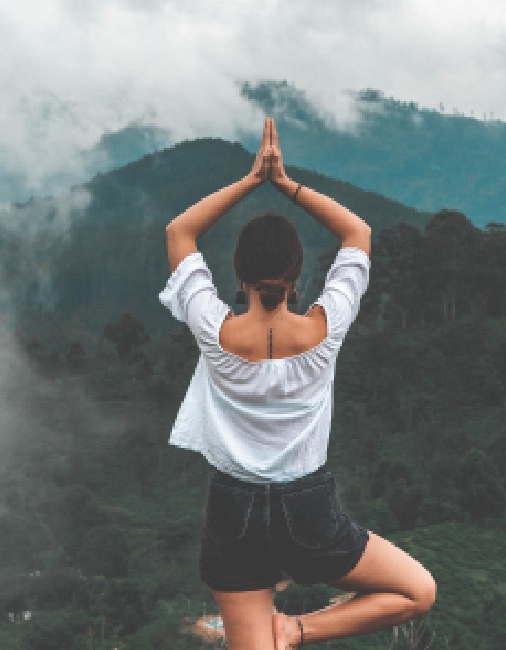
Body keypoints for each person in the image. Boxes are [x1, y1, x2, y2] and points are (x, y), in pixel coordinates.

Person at [159, 118, 436, 649]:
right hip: (308, 512)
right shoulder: (324, 329)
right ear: (298, 273)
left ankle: (280, 631)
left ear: (238, 273)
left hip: (232, 512)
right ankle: (297, 630)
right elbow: (358, 233)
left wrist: (250, 181)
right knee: (416, 591)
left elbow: (179, 232)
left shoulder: (213, 331)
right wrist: (286, 183)